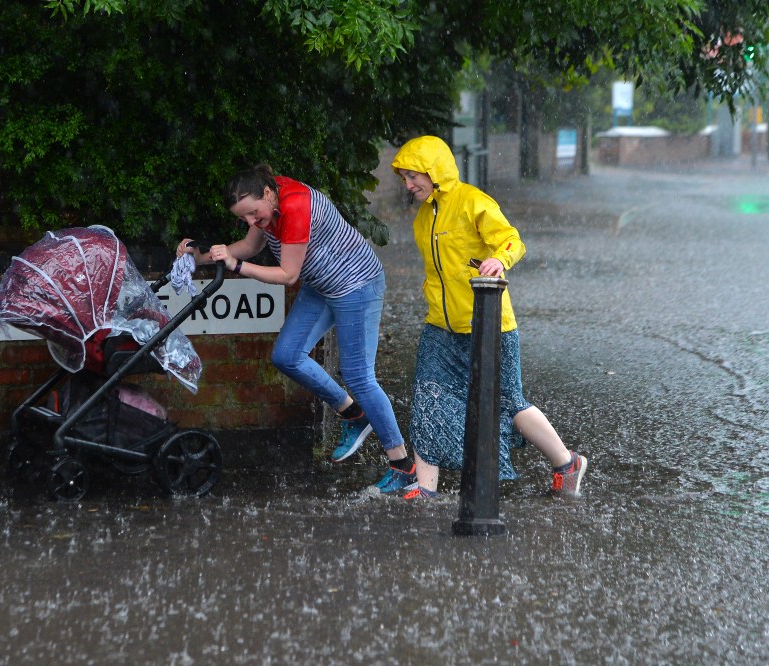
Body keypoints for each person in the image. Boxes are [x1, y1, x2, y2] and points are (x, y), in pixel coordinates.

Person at [177, 164, 417, 494]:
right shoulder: (266, 205)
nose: (251, 222)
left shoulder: (295, 205)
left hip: (356, 285)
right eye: (243, 217)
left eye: (252, 213)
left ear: (267, 193)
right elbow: (249, 247)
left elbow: (288, 275)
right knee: (287, 355)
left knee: (359, 376)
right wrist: (200, 257)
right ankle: (353, 414)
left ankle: (403, 466)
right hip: (321, 287)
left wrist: (236, 267)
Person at [390, 135, 587, 499]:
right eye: (404, 178)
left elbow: (512, 239)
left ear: (434, 171)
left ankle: (567, 463)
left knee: (510, 403)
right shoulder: (424, 216)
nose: (408, 185)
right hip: (440, 326)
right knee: (427, 395)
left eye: (413, 176)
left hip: (488, 324)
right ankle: (426, 489)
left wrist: (500, 258)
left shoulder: (472, 202)